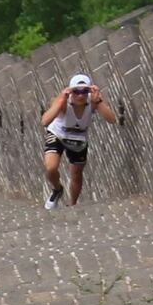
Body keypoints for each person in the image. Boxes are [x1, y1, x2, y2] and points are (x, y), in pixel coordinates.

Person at [40, 73, 118, 209]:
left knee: (76, 173)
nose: (80, 95)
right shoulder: (64, 101)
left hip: (79, 137)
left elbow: (112, 119)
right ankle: (57, 189)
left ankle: (73, 204)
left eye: (84, 91)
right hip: (58, 133)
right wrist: (60, 101)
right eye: (76, 91)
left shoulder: (93, 101)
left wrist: (98, 102)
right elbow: (45, 121)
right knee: (51, 167)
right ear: (71, 91)